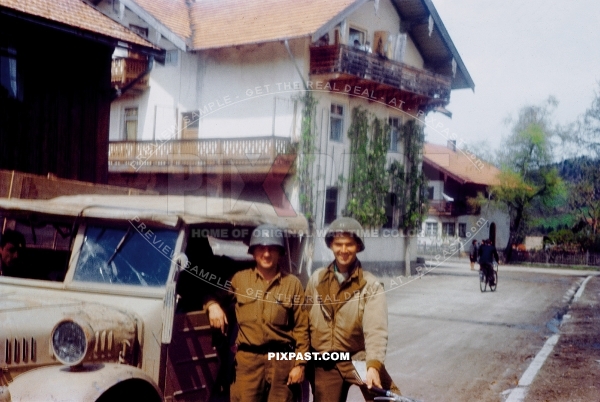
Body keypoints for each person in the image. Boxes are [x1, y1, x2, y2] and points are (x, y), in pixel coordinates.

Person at [205, 224, 309, 402]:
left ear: (280, 252)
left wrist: (300, 364)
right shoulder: (240, 279)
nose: (266, 254)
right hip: (248, 364)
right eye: (261, 248)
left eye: (272, 249)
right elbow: (213, 294)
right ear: (253, 252)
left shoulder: (293, 284)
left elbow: (302, 329)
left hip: (282, 364)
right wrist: (212, 305)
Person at [305, 217, 400, 402]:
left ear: (358, 246)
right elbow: (303, 320)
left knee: (390, 399)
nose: (343, 250)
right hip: (325, 363)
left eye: (349, 244)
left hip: (357, 358)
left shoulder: (370, 285)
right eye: (338, 244)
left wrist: (373, 366)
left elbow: (376, 330)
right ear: (331, 245)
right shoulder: (316, 280)